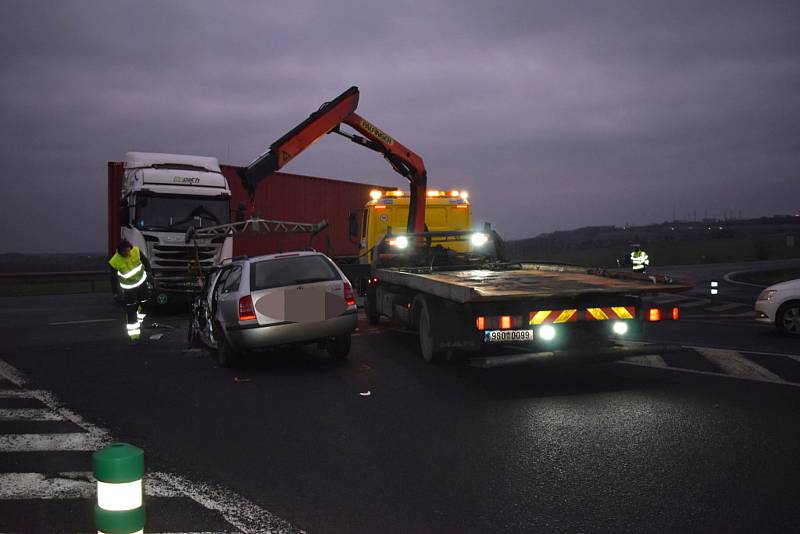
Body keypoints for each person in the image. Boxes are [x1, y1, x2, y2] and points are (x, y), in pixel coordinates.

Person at [108, 239, 148, 342]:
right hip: (129, 288)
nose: (127, 253)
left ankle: (139, 316)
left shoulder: (136, 251)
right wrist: (116, 293)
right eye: (124, 251)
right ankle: (134, 335)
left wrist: (150, 273)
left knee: (145, 303)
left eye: (128, 250)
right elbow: (113, 278)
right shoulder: (115, 261)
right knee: (131, 309)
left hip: (141, 283)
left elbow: (145, 262)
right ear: (119, 251)